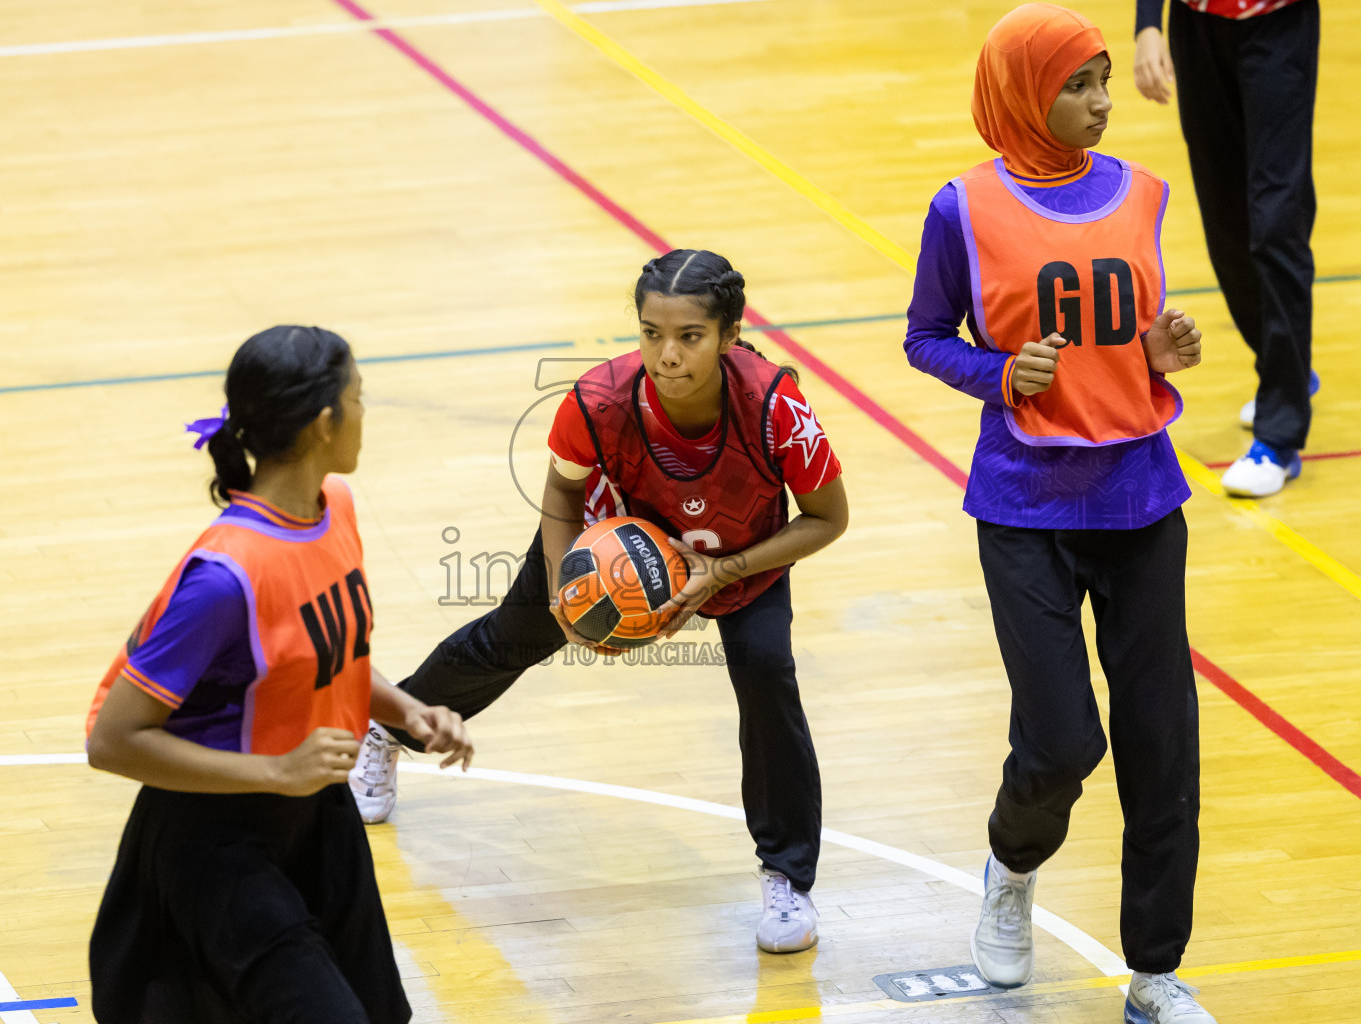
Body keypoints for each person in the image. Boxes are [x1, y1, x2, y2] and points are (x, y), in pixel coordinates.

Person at [349, 250, 849, 953]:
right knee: (511, 638)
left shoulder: (776, 406)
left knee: (768, 674)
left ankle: (787, 880)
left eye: (689, 337)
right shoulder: (600, 398)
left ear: (730, 336)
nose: (666, 354)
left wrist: (724, 570)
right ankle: (388, 729)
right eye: (651, 334)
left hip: (739, 558)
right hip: (614, 541)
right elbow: (560, 490)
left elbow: (828, 518)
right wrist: (560, 588)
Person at [904, 6, 1215, 1022]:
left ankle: (1156, 971)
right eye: (1078, 84)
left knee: (1161, 743)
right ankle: (1011, 862)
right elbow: (925, 338)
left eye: (1102, 81)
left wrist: (1159, 349)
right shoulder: (963, 208)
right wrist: (997, 373)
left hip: (1141, 499)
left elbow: (1121, 331)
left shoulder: (1142, 192)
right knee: (1063, 741)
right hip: (1026, 506)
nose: (1101, 100)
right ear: (1021, 95)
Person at [84, 325, 473, 1024]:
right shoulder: (224, 577)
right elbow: (112, 741)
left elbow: (326, 655)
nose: (363, 414)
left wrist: (405, 710)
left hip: (317, 815)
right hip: (215, 838)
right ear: (325, 422)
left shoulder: (336, 508)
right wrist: (275, 772)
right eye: (358, 398)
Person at [1134, 0, 1320, 498]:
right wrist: (1148, 23)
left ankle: (1280, 434)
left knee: (1277, 221)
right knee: (1225, 221)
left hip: (1279, 23)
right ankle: (1287, 365)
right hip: (1197, 27)